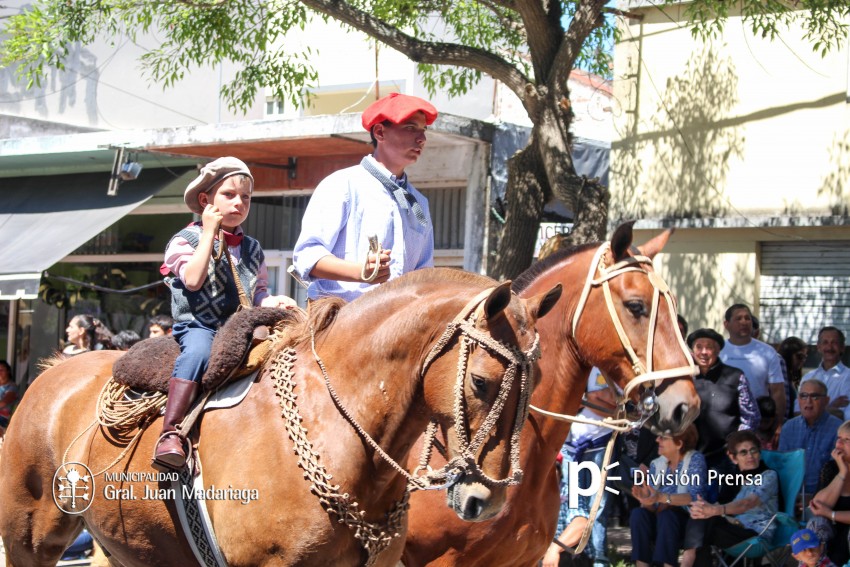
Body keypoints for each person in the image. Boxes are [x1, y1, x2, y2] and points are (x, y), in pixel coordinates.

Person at [155, 156, 296, 470]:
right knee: (198, 353)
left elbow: (258, 295)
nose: (239, 203)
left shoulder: (253, 249)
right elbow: (193, 280)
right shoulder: (184, 240)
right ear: (205, 201)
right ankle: (171, 433)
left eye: (246, 197)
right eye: (229, 195)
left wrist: (275, 302)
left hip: (239, 328)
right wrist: (209, 233)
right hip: (199, 325)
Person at [292, 93, 437, 302]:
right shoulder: (342, 185)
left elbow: (424, 274)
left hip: (399, 317)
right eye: (410, 128)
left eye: (424, 130)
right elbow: (306, 255)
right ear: (380, 132)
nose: (422, 138)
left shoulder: (419, 203)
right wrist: (361, 272)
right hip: (339, 315)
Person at [543, 369, 617, 567]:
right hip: (569, 443)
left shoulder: (569, 480)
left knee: (595, 507)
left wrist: (554, 549)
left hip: (570, 556)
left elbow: (582, 521)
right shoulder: (532, 485)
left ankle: (599, 559)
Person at [690, 430, 780, 567]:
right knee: (699, 520)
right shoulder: (732, 479)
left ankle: (688, 561)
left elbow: (748, 503)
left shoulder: (768, 476)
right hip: (734, 529)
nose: (750, 456)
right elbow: (720, 503)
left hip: (756, 535)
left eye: (754, 450)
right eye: (743, 452)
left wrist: (715, 510)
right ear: (733, 458)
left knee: (705, 526)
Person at [629, 425, 707, 567]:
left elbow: (695, 497)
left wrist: (662, 498)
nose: (657, 440)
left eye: (663, 438)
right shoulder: (657, 463)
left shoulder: (695, 459)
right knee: (638, 514)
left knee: (668, 515)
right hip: (660, 519)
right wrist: (646, 500)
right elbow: (653, 506)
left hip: (686, 522)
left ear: (679, 443)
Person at [687, 328, 759, 471]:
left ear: (718, 350)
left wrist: (736, 447)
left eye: (709, 347)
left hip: (727, 457)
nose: (704, 352)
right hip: (690, 456)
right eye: (699, 347)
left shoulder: (735, 376)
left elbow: (750, 417)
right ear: (692, 351)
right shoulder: (685, 379)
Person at [720, 304, 786, 437]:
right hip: (724, 420)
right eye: (738, 318)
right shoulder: (719, 350)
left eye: (747, 318)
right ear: (726, 324)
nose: (744, 322)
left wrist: (778, 424)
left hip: (758, 423)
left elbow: (777, 391)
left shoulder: (767, 352)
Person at [780, 379, 842, 496]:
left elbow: (839, 473)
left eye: (815, 396)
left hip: (825, 498)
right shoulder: (788, 428)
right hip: (791, 495)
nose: (808, 401)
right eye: (803, 396)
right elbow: (782, 466)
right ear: (798, 400)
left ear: (826, 400)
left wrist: (815, 498)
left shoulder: (838, 429)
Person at [806, 421, 850, 566]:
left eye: (847, 439)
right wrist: (842, 473)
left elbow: (825, 511)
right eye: (839, 438)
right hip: (832, 529)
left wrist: (830, 514)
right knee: (816, 523)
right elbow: (817, 505)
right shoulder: (831, 467)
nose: (839, 443)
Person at [800, 327, 850, 421]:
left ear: (842, 347)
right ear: (818, 347)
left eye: (834, 343)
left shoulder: (848, 376)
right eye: (825, 342)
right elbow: (797, 413)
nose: (829, 347)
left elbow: (842, 415)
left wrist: (811, 410)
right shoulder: (808, 378)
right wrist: (830, 407)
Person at [779, 336, 809, 419]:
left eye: (805, 357)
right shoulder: (779, 370)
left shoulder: (792, 379)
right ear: (788, 354)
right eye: (800, 356)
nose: (802, 361)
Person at [0, 360, 18, 432]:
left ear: (8, 371)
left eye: (2, 370)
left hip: (5, 418)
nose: (0, 372)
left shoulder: (12, 387)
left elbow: (4, 402)